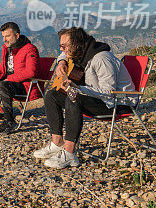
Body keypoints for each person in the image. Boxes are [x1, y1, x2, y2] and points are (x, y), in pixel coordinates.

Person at [34, 26, 136, 169]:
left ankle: (69, 153)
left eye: (64, 46)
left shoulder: (101, 59)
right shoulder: (81, 53)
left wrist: (78, 88)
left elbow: (109, 91)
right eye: (60, 45)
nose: (62, 49)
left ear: (76, 44)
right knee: (52, 95)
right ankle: (57, 142)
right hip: (97, 98)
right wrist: (61, 62)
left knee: (74, 98)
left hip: (117, 103)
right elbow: (63, 55)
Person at [0, 22, 39, 133]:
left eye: (7, 36)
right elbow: (3, 67)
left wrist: (9, 79)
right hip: (7, 85)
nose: (4, 40)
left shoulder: (30, 49)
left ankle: (9, 121)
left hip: (23, 87)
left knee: (4, 84)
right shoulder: (6, 48)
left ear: (17, 35)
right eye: (3, 37)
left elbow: (31, 72)